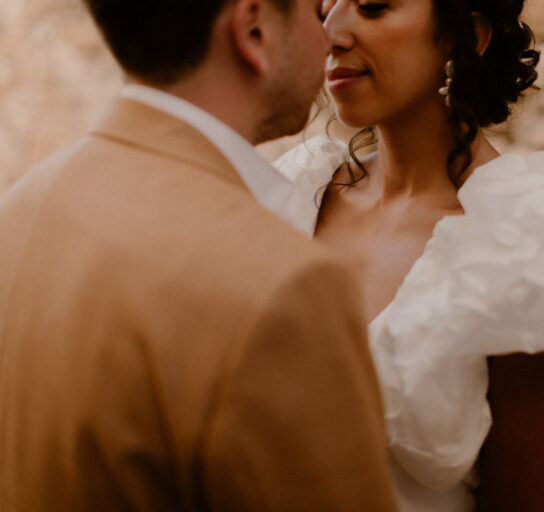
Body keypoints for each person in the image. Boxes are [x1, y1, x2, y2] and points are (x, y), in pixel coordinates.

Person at [273, 0, 544, 509]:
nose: (333, 34)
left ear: (469, 35)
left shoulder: (533, 252)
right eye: (324, 8)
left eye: (373, 7)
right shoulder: (291, 193)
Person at [0, 0, 398, 510]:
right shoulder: (282, 286)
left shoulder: (24, 204)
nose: (327, 39)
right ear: (253, 29)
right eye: (310, 10)